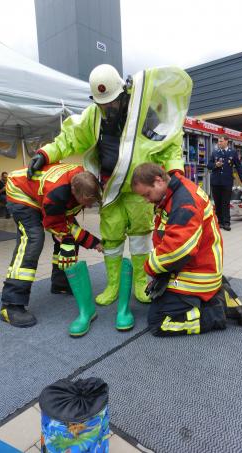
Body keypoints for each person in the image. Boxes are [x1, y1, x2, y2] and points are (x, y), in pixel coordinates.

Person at [26, 64, 193, 306]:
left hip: (140, 193)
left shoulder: (145, 114)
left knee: (140, 239)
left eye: (110, 102)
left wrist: (175, 171)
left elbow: (169, 144)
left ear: (123, 92)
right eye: (102, 103)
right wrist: (45, 153)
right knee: (112, 241)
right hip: (110, 191)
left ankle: (139, 282)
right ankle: (113, 285)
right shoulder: (94, 116)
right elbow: (70, 139)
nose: (107, 107)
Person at [130, 163, 242, 336]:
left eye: (147, 194)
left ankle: (217, 312)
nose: (147, 200)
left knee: (158, 322)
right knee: (157, 297)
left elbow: (178, 250)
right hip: (200, 267)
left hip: (197, 273)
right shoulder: (177, 191)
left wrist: (150, 266)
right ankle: (219, 293)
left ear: (158, 181)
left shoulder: (183, 200)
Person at [0, 163, 104, 328]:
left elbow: (67, 225)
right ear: (74, 193)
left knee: (69, 242)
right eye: (86, 202)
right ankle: (11, 304)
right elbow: (59, 227)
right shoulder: (56, 196)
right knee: (33, 239)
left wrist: (95, 243)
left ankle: (61, 283)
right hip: (20, 192)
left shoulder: (81, 181)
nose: (90, 206)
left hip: (42, 192)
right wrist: (93, 242)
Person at [206, 136, 242, 231]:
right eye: (218, 141)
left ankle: (226, 222)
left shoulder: (232, 152)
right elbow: (209, 166)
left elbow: (238, 166)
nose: (219, 143)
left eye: (221, 141)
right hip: (216, 182)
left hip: (227, 182)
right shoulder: (215, 152)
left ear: (227, 141)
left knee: (226, 203)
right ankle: (220, 222)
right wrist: (216, 165)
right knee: (218, 203)